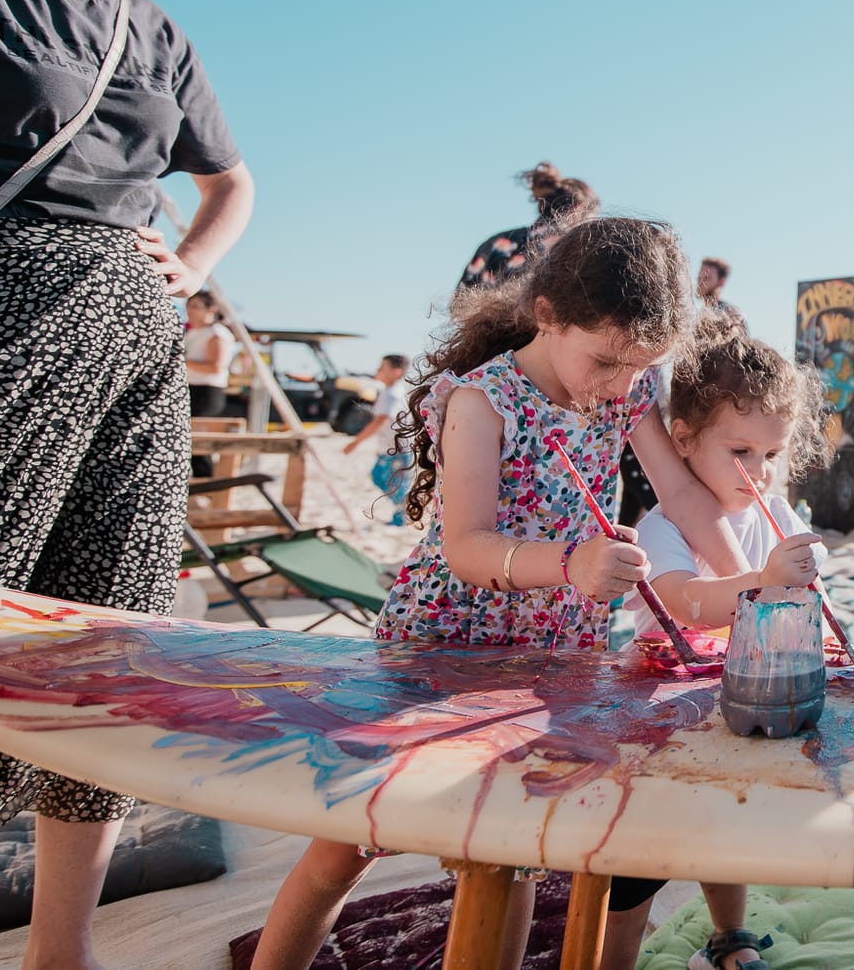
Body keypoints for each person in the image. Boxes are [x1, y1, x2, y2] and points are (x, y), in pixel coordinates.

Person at [254, 219, 749, 970]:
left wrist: (754, 582)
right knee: (350, 840)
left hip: (556, 643)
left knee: (512, 849)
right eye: (607, 360)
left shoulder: (627, 388)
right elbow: (467, 545)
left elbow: (680, 491)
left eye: (639, 366)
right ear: (547, 313)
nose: (619, 385)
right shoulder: (481, 401)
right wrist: (572, 563)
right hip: (449, 639)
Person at [0, 0, 255, 970]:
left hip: (138, 346)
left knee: (108, 641)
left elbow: (231, 179)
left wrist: (186, 265)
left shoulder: (157, 30)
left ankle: (60, 949)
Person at [602, 315, 831, 970]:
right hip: (658, 707)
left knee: (723, 822)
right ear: (682, 438)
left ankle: (728, 935)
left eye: (771, 455)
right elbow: (685, 601)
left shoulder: (775, 515)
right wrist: (763, 580)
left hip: (732, 698)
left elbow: (800, 601)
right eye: (740, 452)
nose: (757, 471)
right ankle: (615, 957)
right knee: (642, 853)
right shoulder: (663, 524)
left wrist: (806, 584)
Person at [456, 161, 599, 295]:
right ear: (579, 208)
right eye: (594, 216)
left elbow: (459, 303)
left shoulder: (495, 244)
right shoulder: (581, 247)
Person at [343, 353, 411, 526]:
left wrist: (356, 442)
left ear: (395, 372)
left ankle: (402, 515)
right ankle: (401, 513)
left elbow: (379, 420)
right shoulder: (390, 392)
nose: (377, 370)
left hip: (396, 449)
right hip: (392, 447)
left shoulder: (391, 394)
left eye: (382, 367)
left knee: (390, 480)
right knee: (385, 478)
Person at [183, 290, 236, 476]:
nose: (190, 310)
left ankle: (206, 485)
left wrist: (180, 361)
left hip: (206, 392)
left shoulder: (217, 334)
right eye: (189, 306)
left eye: (196, 306)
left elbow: (216, 367)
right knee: (186, 444)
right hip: (189, 388)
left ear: (211, 309)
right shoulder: (191, 332)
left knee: (198, 446)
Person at [697, 255, 742, 323]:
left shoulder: (730, 314)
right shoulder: (699, 313)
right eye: (699, 276)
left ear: (721, 282)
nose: (701, 282)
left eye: (707, 278)